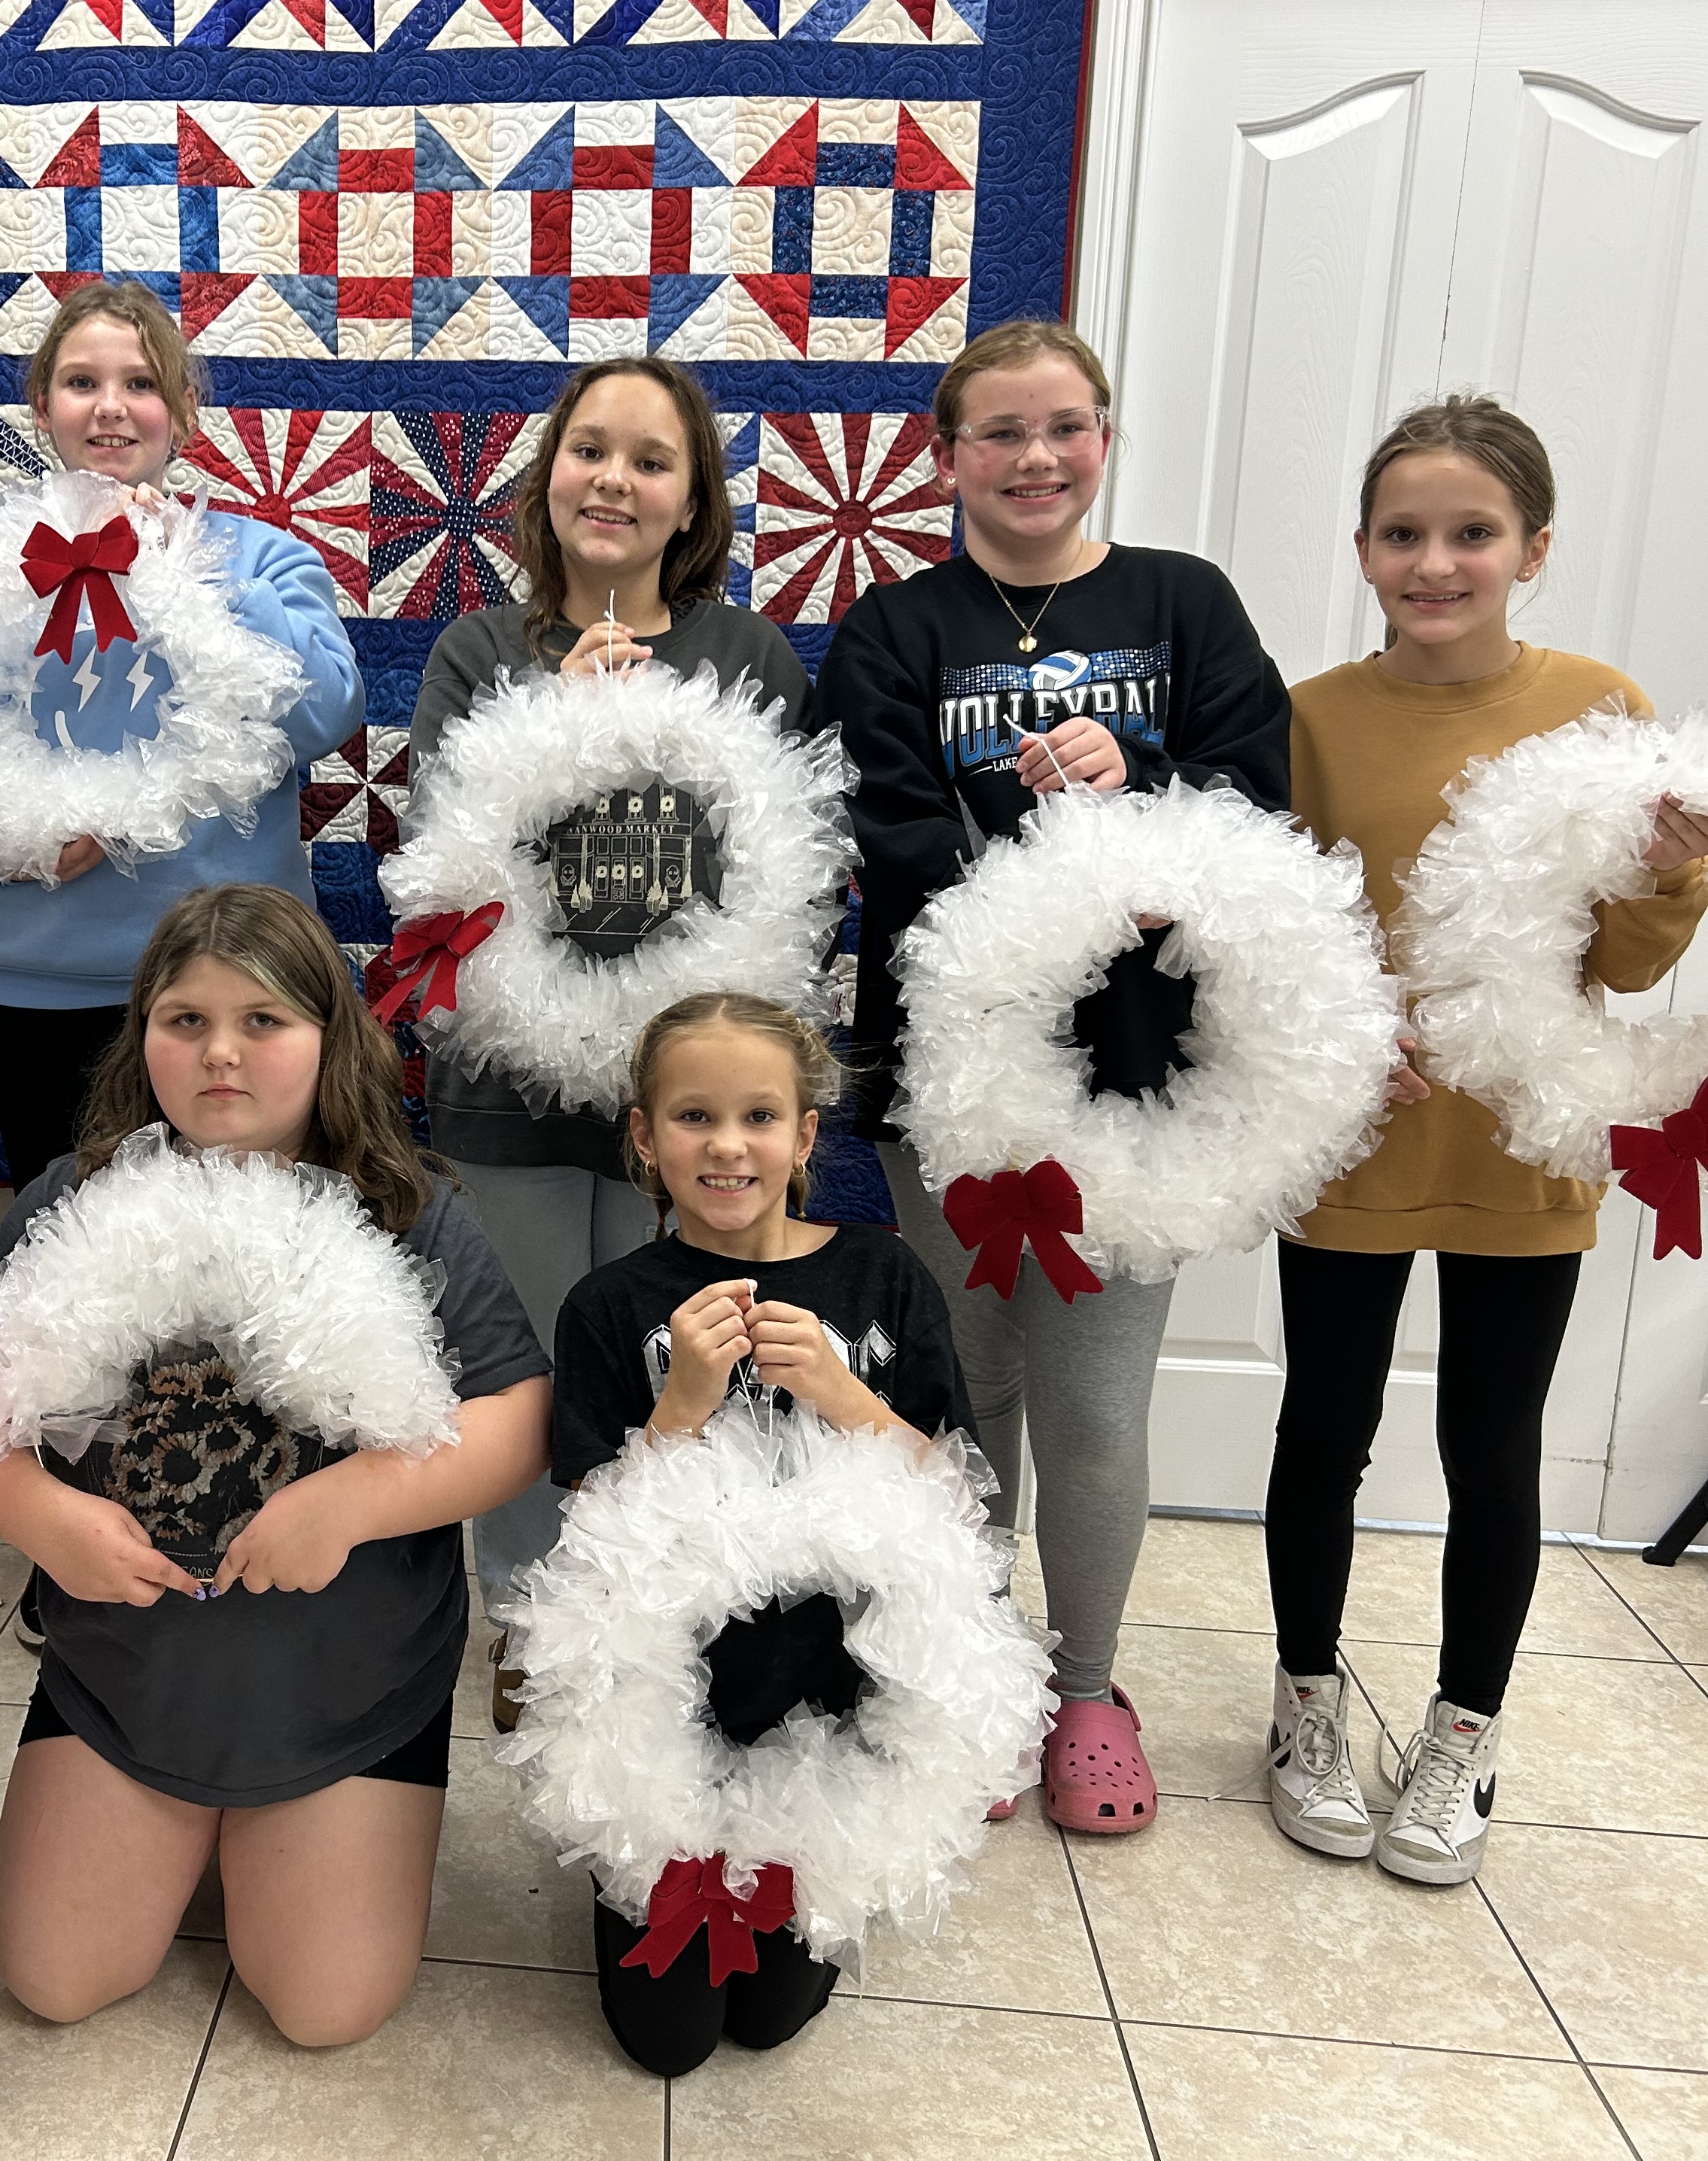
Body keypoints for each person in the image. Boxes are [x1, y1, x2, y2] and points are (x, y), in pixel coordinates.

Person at [810, 318, 1291, 1832]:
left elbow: (1258, 800)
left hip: (1136, 1090)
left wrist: (1133, 786)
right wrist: (1033, 846)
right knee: (965, 1385)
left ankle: (1084, 1689)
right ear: (945, 459)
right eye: (1001, 433)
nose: (1036, 458)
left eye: (1066, 427)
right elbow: (879, 840)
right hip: (947, 1083)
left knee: (1093, 1405)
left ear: (1105, 439)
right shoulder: (894, 628)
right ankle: (971, 1663)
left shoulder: (1183, 603)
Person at [0, 884, 551, 2047]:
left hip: (344, 1679)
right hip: (132, 1669)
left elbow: (518, 1418)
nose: (222, 1053)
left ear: (329, 1039)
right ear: (143, 1036)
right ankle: (191, 1821)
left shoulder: (409, 1213)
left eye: (263, 1022)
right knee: (54, 1979)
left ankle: (290, 1828)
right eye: (185, 1021)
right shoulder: (70, 1201)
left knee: (325, 2006)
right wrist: (38, 1519)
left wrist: (360, 1498)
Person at [1264, 395, 1708, 1886]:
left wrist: (1669, 878)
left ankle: (1465, 1730)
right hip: (1353, 1142)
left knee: (1491, 1444)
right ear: (1364, 551)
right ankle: (1307, 1704)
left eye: (1472, 534)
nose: (1436, 561)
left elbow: (1634, 965)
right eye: (1406, 534)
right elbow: (1283, 935)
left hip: (1526, 1147)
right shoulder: (1312, 720)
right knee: (1323, 1430)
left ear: (1533, 549)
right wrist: (1336, 1041)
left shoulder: (1600, 709)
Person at [406, 357, 814, 1724]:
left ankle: (655, 1603)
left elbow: (792, 876)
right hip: (510, 1087)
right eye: (591, 449)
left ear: (690, 497)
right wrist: (551, 725)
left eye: (650, 459)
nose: (615, 480)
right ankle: (529, 1614)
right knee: (526, 1364)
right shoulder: (479, 652)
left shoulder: (747, 658)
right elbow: (438, 869)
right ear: (550, 474)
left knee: (676, 1351)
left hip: (689, 1105)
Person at [0, 280, 363, 1192]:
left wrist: (197, 570)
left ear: (181, 408)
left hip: (234, 989)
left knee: (251, 1253)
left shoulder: (263, 560)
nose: (111, 407)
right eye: (82, 381)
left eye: (140, 382)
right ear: (43, 405)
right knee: (66, 1256)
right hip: (32, 990)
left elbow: (325, 712)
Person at [548, 992, 964, 2075]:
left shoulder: (884, 1277)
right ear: (644, 1136)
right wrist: (680, 1404)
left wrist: (843, 1394)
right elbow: (588, 1535)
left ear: (806, 1133)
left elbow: (953, 1496)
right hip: (672, 1714)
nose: (728, 1146)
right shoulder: (608, 1304)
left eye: (760, 1117)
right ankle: (645, 1875)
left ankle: (792, 1869)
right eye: (692, 1117)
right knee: (669, 2043)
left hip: (833, 1704)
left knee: (769, 2016)